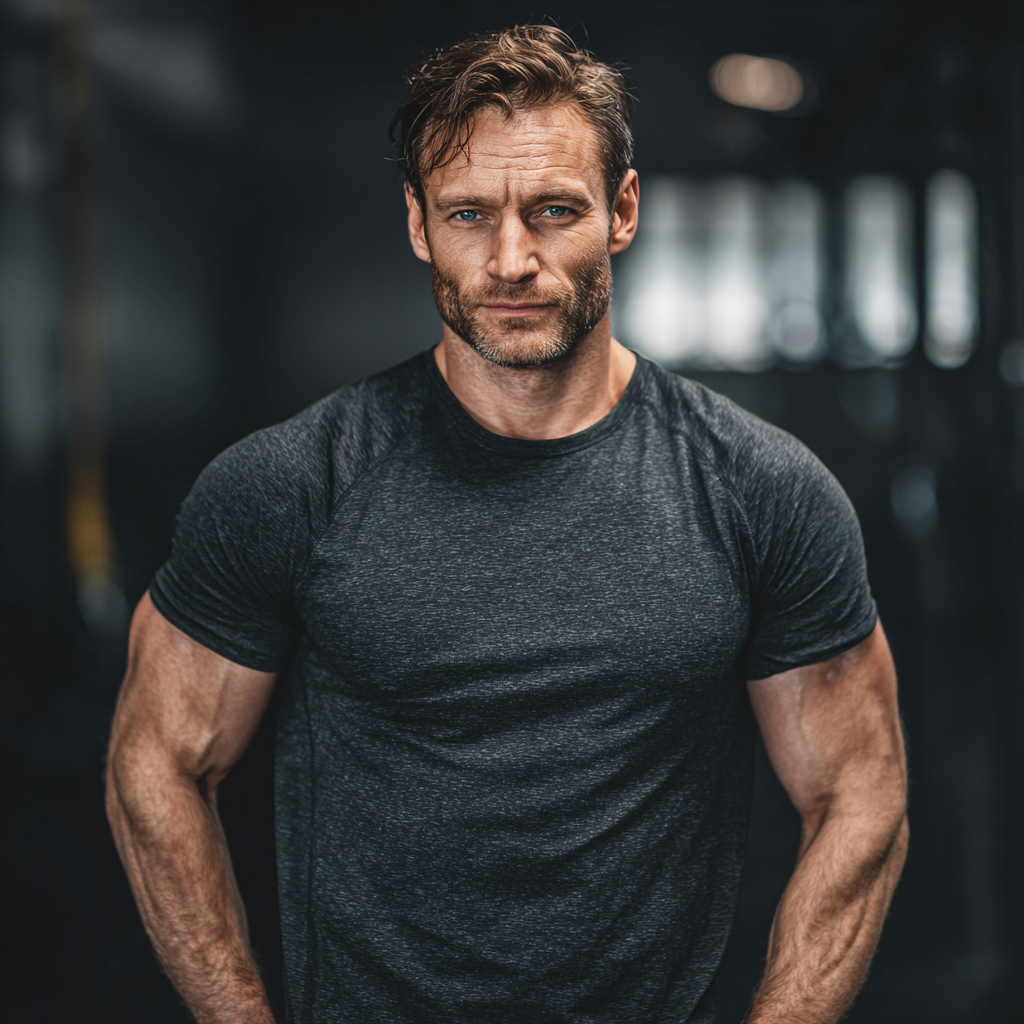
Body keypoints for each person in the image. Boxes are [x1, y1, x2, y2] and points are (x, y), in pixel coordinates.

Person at [106, 25, 908, 1024]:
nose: (510, 258)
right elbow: (157, 760)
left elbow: (860, 792)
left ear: (622, 211)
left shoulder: (758, 491)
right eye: (469, 214)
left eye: (553, 211)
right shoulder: (293, 485)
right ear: (416, 224)